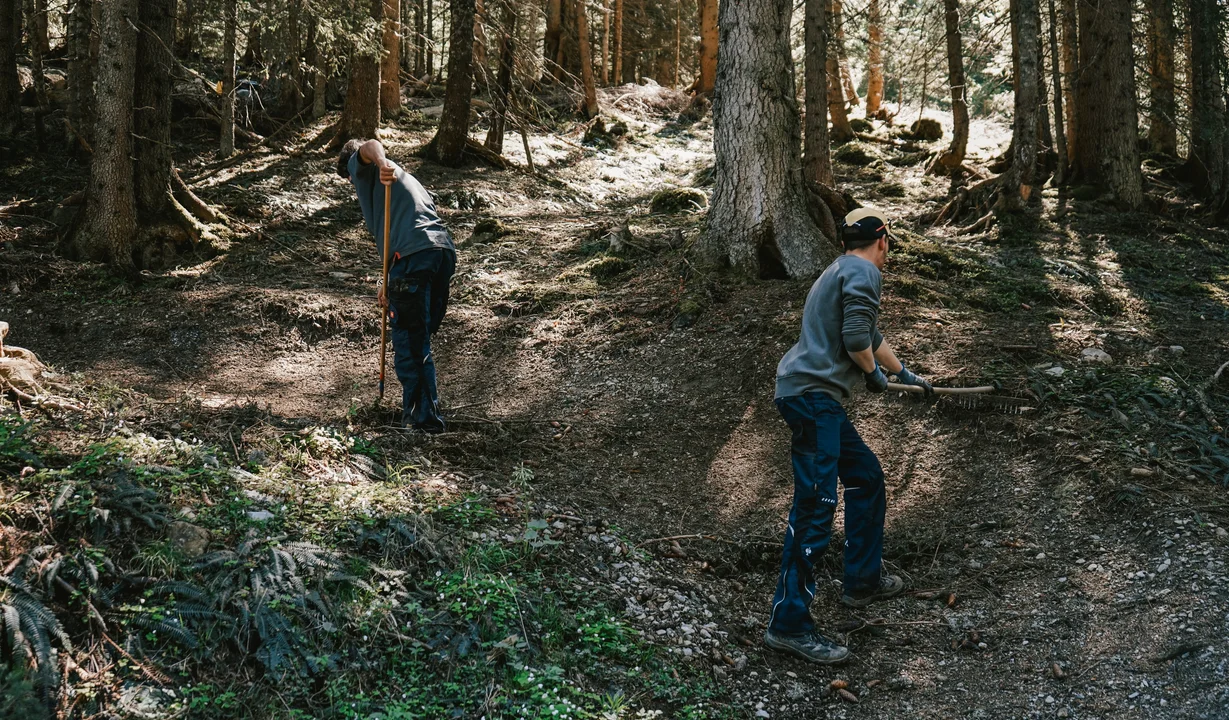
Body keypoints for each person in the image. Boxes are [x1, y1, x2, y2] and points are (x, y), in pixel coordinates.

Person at [764, 208, 933, 664]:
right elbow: (857, 338)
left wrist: (907, 375)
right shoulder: (864, 271)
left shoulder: (839, 268)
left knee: (865, 477)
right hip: (813, 398)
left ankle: (862, 580)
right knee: (817, 504)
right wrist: (875, 376)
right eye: (889, 244)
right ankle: (789, 624)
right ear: (883, 241)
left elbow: (871, 335)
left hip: (815, 399)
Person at [336, 138, 457, 432]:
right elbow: (408, 226)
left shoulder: (370, 170)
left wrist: (380, 162)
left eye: (350, 177)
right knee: (419, 335)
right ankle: (424, 408)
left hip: (415, 257)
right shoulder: (410, 180)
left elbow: (368, 145)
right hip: (439, 252)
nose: (354, 183)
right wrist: (388, 279)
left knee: (409, 340)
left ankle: (422, 420)